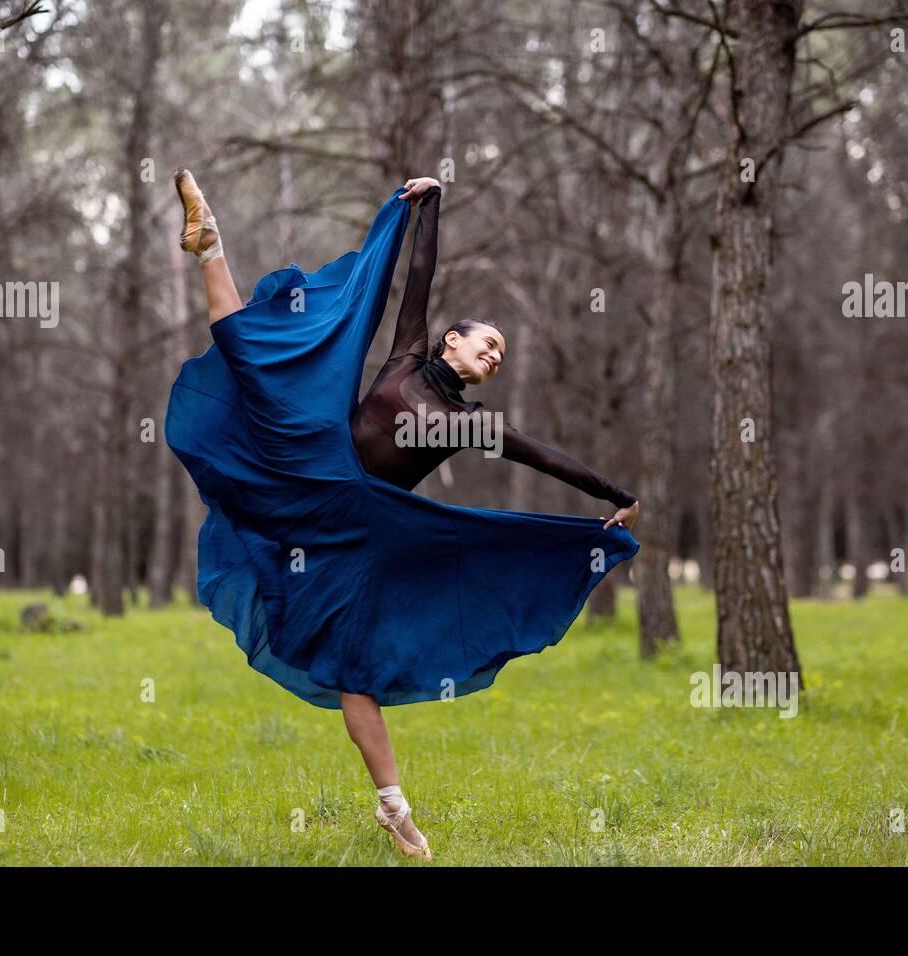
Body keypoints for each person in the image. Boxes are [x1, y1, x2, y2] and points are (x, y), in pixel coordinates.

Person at [166, 170, 641, 860]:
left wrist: (612, 494)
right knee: (254, 361)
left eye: (501, 356)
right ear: (452, 340)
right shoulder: (410, 357)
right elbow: (417, 278)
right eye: (486, 343)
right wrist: (429, 207)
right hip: (318, 469)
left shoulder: (470, 422)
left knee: (352, 668)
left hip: (362, 531)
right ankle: (210, 245)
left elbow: (543, 457)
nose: (494, 355)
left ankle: (394, 807)